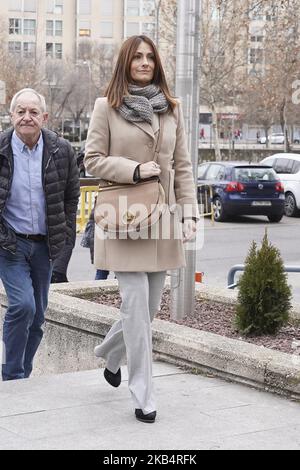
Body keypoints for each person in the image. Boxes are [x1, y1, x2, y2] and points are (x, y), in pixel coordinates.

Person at [84, 35, 199, 424]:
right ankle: (144, 395)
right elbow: (93, 160)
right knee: (134, 307)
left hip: (163, 221)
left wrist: (189, 214)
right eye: (137, 57)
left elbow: (182, 166)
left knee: (146, 310)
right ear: (126, 62)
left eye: (150, 57)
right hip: (124, 219)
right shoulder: (107, 107)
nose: (145, 62)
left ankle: (110, 354)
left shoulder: (172, 110)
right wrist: (133, 170)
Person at [0, 88, 80, 381]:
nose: (26, 117)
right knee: (22, 305)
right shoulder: (1, 147)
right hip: (10, 243)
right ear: (11, 116)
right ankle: (11, 374)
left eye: (33, 112)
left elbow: (72, 197)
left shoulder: (62, 150)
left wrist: (65, 240)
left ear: (44, 117)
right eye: (20, 112)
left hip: (45, 245)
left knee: (38, 316)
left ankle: (24, 370)